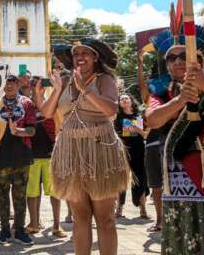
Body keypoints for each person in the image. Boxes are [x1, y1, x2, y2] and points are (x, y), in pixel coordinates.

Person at [41, 39, 129, 255]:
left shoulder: (104, 79)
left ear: (96, 57)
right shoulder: (65, 80)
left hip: (101, 151)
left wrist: (84, 89)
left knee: (105, 218)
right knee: (80, 218)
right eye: (76, 53)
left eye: (85, 53)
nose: (79, 56)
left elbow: (110, 110)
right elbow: (46, 113)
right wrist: (58, 89)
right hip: (69, 151)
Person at [151, 20, 204, 254]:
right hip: (176, 182)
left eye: (183, 56)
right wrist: (180, 100)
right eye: (171, 58)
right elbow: (153, 120)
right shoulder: (161, 93)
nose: (177, 61)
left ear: (198, 61)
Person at [0, 74, 36, 246]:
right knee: (3, 194)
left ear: (17, 85)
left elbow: (32, 130)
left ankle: (20, 229)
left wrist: (19, 131)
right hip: (2, 154)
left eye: (12, 84)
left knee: (20, 194)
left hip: (22, 154)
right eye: (6, 84)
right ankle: (5, 229)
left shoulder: (27, 103)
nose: (9, 87)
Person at [26, 77, 66, 238]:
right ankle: (34, 223)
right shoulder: (27, 105)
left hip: (51, 155)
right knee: (32, 192)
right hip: (31, 156)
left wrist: (45, 95)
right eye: (34, 84)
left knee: (54, 192)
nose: (38, 87)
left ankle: (57, 226)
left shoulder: (52, 104)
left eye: (40, 84)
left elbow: (59, 123)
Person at [114, 93, 149, 219]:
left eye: (126, 98)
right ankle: (119, 208)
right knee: (121, 179)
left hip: (138, 149)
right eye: (121, 99)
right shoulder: (117, 116)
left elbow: (144, 134)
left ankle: (143, 209)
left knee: (140, 178)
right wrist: (131, 127)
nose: (124, 100)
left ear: (131, 100)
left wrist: (137, 129)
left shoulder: (140, 115)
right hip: (121, 149)